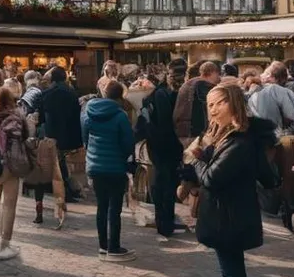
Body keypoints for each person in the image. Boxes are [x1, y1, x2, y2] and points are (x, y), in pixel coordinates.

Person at [186, 83, 275, 277]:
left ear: (234, 103)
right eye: (210, 105)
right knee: (231, 268)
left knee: (232, 270)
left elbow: (212, 178)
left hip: (230, 214)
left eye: (219, 103)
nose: (213, 110)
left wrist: (196, 161)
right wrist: (205, 155)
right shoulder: (229, 135)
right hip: (229, 211)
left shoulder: (239, 140)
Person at [83, 82, 137, 261]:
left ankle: (102, 246)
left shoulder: (89, 111)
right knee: (115, 208)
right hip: (115, 167)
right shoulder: (120, 115)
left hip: (95, 167)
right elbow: (128, 143)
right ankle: (114, 247)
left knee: (101, 207)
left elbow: (85, 138)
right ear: (120, 96)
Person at [135, 73, 184, 241]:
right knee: (166, 185)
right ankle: (165, 223)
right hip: (166, 146)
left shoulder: (155, 98)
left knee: (161, 184)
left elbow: (152, 124)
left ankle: (163, 222)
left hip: (159, 146)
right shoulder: (160, 96)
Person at [0, 86, 29, 260]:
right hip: (10, 165)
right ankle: (4, 243)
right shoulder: (16, 118)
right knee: (9, 204)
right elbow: (24, 136)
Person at [37, 66, 82, 202]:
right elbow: (76, 114)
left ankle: (61, 189)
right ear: (65, 77)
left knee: (56, 162)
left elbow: (41, 116)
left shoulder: (46, 93)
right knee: (63, 162)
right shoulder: (72, 93)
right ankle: (66, 189)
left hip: (52, 132)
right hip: (69, 133)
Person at [174, 61, 219, 140]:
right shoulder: (201, 85)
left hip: (184, 130)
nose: (218, 78)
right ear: (212, 72)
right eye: (217, 74)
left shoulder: (191, 83)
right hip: (192, 133)